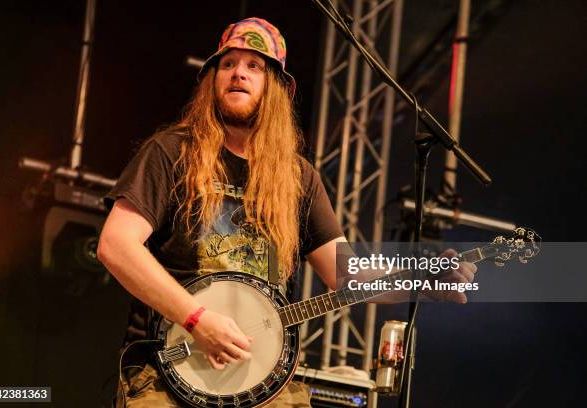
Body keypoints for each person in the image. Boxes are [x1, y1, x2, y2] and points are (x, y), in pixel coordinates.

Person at [97, 17, 476, 407]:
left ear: (277, 87)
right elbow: (116, 245)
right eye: (227, 64)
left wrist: (420, 282)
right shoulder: (171, 152)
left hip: (264, 384)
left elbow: (347, 273)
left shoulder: (298, 179)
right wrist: (196, 319)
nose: (238, 74)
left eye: (254, 66)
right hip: (168, 373)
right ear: (211, 81)